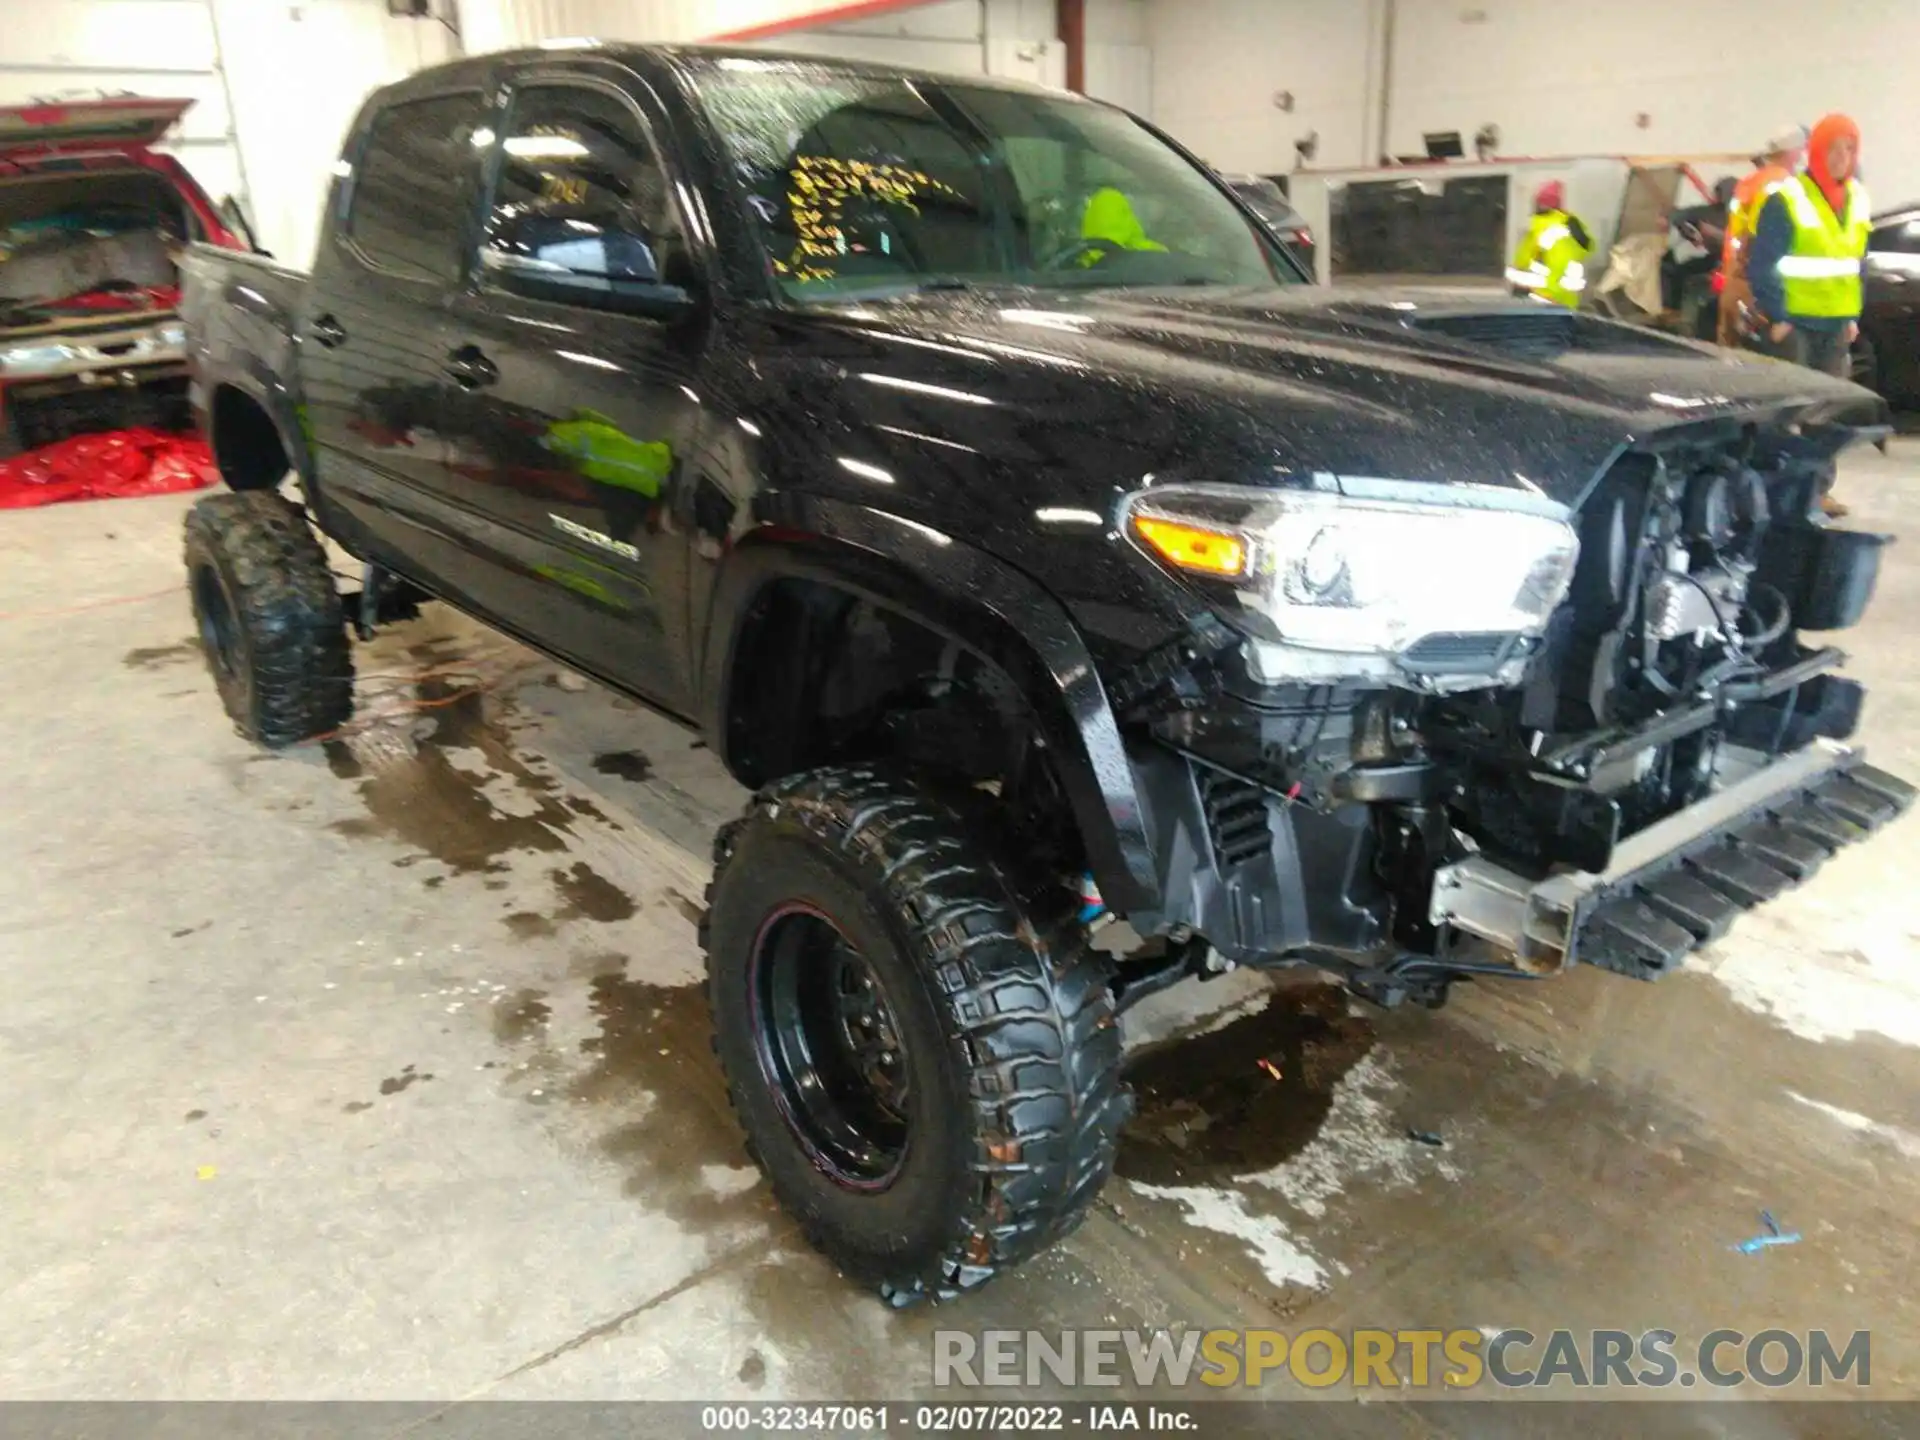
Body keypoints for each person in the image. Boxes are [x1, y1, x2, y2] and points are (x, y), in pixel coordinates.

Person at [1745, 112, 1870, 515]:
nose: (1842, 157)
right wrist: (1778, 315)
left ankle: (1816, 490)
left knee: (1827, 416)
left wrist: (1852, 314)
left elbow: (1856, 262)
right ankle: (1780, 493)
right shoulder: (1787, 198)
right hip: (1795, 324)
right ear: (1816, 151)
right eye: (1834, 148)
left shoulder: (1858, 200)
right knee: (1786, 413)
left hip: (1835, 325)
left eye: (1849, 149)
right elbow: (1762, 263)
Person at [1717, 124, 1807, 346]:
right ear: (1793, 152)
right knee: (1761, 364)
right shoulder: (1784, 186)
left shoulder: (1749, 181)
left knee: (1727, 355)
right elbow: (1766, 240)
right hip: (1759, 287)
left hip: (1732, 278)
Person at [1506, 181, 1591, 309]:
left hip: (1543, 300)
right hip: (1565, 302)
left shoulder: (1539, 230)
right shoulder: (1571, 225)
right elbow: (1588, 248)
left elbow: (1523, 261)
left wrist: (1519, 288)